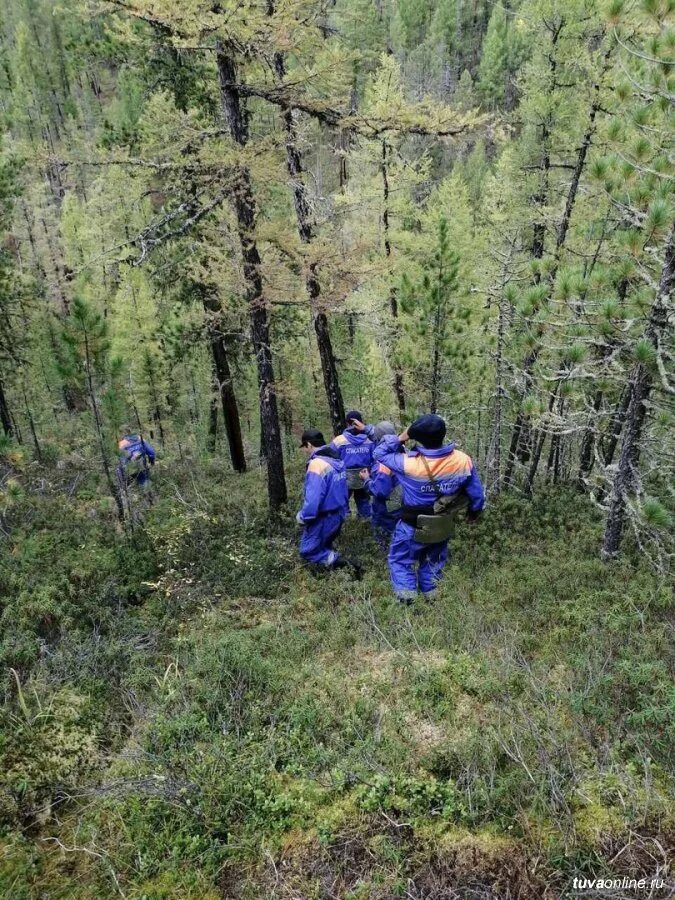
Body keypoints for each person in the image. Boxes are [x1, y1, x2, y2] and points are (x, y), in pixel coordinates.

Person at [354, 414, 485, 604]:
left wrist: (401, 437)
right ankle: (432, 601)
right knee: (432, 563)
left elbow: (379, 454)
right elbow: (477, 496)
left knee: (400, 561)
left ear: (417, 437)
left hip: (411, 525)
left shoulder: (408, 463)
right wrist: (474, 513)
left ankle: (408, 604)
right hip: (442, 524)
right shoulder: (463, 460)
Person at [297, 428, 359, 576]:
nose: (305, 451)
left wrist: (303, 517)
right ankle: (329, 577)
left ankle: (348, 567)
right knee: (324, 546)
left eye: (305, 447)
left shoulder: (317, 464)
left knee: (308, 550)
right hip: (338, 513)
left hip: (323, 517)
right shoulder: (337, 459)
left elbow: (313, 499)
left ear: (309, 445)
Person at [359, 421, 402, 550]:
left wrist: (366, 479)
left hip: (386, 506)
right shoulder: (403, 451)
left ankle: (383, 558)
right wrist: (366, 428)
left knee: (383, 532)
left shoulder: (382, 462)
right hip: (401, 500)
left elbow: (381, 491)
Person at [329, 410, 374, 519]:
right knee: (363, 501)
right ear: (361, 422)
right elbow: (375, 458)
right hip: (364, 476)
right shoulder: (370, 440)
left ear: (348, 423)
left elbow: (331, 460)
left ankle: (346, 522)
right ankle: (365, 521)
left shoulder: (338, 441)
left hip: (344, 478)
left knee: (343, 501)